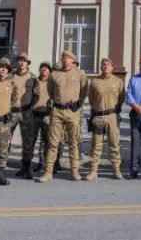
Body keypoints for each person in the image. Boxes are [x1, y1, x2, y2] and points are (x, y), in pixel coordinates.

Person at [39, 50, 88, 182]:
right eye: (63, 58)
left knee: (73, 142)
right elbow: (50, 91)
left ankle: (74, 171)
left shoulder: (80, 74)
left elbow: (84, 91)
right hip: (57, 111)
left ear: (73, 60)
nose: (65, 60)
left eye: (68, 58)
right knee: (53, 142)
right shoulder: (54, 75)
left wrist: (78, 103)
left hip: (73, 112)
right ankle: (48, 172)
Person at [86, 58, 126, 180]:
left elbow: (121, 98)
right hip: (98, 116)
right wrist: (97, 109)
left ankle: (116, 170)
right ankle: (93, 171)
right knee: (96, 145)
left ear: (112, 67)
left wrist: (113, 109)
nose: (105, 66)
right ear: (100, 67)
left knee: (114, 145)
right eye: (103, 65)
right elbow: (91, 99)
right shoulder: (95, 82)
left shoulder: (118, 82)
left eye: (108, 64)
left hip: (112, 116)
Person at [11, 53, 40, 179]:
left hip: (26, 112)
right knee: (5, 139)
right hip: (11, 112)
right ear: (16, 62)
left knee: (28, 141)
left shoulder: (33, 78)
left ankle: (26, 168)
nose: (22, 63)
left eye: (24, 61)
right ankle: (0, 168)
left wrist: (30, 106)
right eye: (19, 61)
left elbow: (36, 95)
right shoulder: (10, 76)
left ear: (27, 63)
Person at [31, 61, 53, 172]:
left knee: (46, 141)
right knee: (32, 140)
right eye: (42, 68)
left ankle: (46, 163)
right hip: (35, 115)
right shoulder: (35, 82)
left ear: (50, 70)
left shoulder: (52, 83)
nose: (44, 69)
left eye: (46, 68)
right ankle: (29, 164)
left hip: (47, 115)